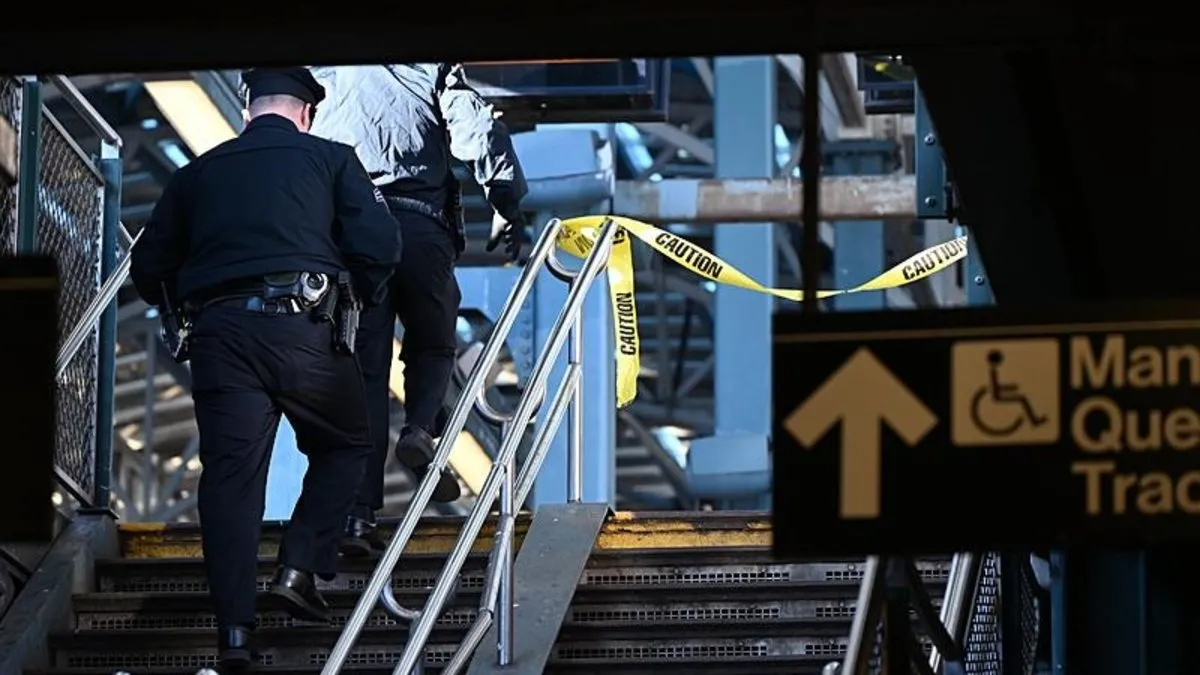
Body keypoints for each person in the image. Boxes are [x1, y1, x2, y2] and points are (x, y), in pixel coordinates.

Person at [129, 67, 401, 673]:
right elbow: (381, 245)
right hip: (305, 329)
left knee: (230, 480)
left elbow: (148, 267)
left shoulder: (197, 172)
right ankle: (297, 569)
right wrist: (355, 293)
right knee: (345, 445)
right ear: (306, 113)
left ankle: (233, 634)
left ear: (248, 108)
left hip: (220, 336)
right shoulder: (332, 159)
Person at [307, 63, 529, 556]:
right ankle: (421, 426)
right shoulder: (430, 66)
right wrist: (506, 203)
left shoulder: (323, 69)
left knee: (364, 372)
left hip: (354, 234)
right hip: (420, 227)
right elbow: (478, 129)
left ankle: (357, 516)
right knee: (432, 341)